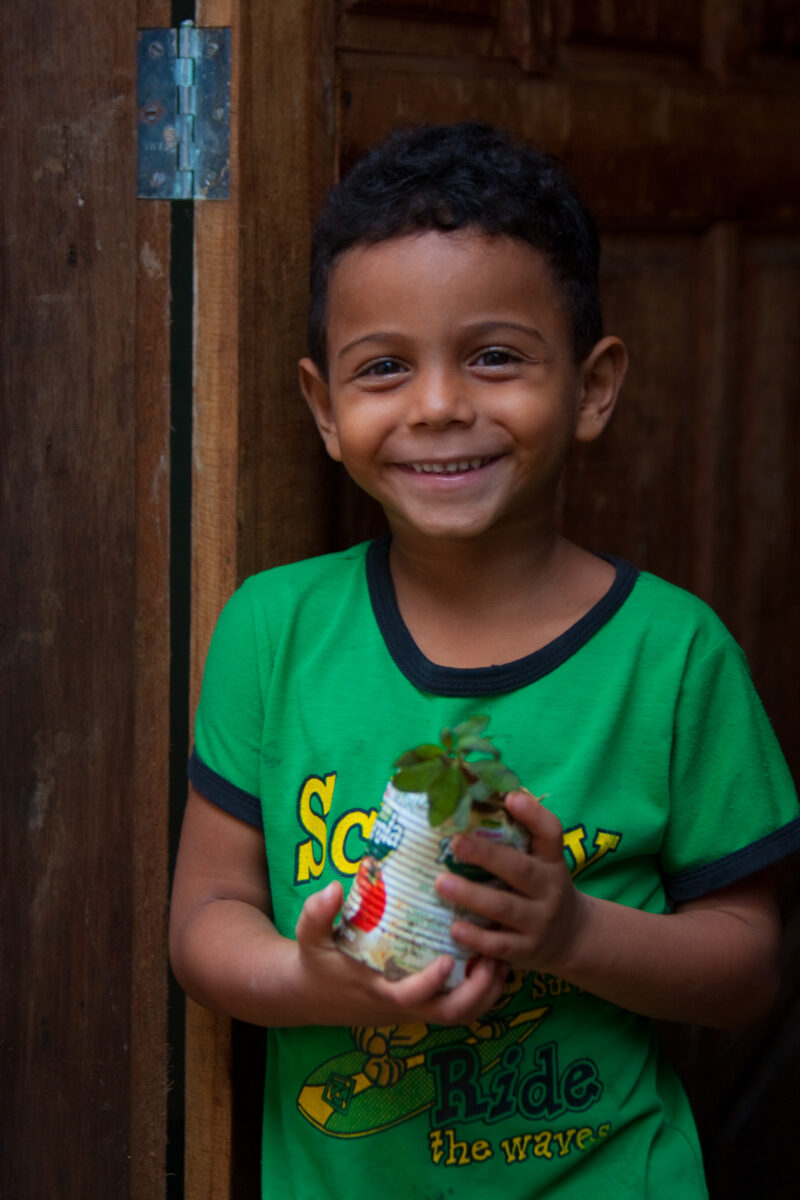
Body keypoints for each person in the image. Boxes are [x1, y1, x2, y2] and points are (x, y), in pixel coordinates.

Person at [169, 122, 799, 1199]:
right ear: (324, 410)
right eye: (382, 369)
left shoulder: (674, 657)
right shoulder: (270, 632)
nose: (438, 406)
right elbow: (203, 922)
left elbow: (747, 967)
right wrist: (313, 981)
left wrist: (571, 931)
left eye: (494, 356)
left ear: (592, 387)